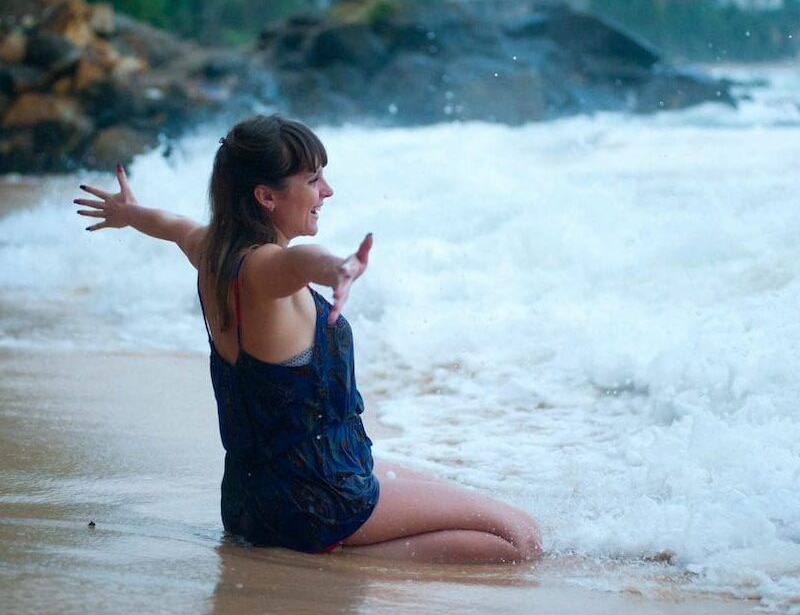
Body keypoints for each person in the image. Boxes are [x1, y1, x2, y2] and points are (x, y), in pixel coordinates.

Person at [74, 114, 542, 564]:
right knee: (521, 538)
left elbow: (171, 225)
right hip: (317, 503)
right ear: (266, 196)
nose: (327, 191)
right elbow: (301, 262)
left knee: (447, 493)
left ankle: (316, 550)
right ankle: (336, 565)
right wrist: (337, 268)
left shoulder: (211, 251)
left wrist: (130, 213)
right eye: (313, 180)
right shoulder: (264, 269)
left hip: (252, 502)